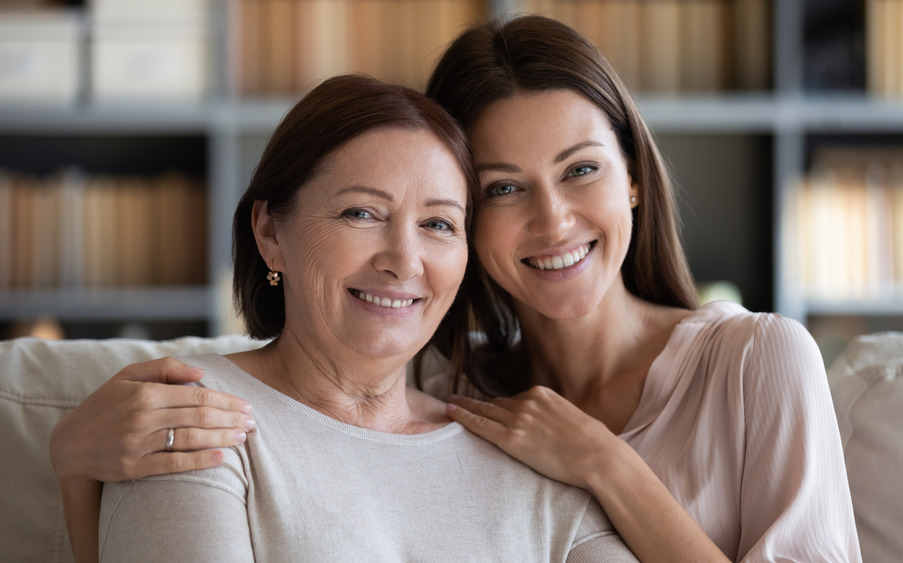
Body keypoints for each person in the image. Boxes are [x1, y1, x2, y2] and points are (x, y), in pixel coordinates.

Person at [52, 15, 861, 562]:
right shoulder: (456, 392)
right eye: (503, 189)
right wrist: (72, 464)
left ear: (635, 181)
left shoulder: (758, 358)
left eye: (581, 170)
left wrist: (606, 464)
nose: (553, 220)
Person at [53, 73, 638, 562]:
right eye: (361, 212)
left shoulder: (528, 450)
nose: (404, 261)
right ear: (269, 232)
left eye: (438, 224)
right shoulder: (192, 418)